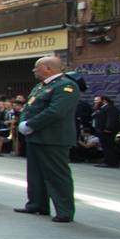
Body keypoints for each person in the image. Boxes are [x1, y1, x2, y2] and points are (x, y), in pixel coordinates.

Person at [14, 55, 79, 222]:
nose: (34, 70)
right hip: (35, 137)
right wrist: (24, 123)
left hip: (53, 138)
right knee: (35, 174)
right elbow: (28, 108)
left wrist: (31, 124)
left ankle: (64, 210)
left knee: (57, 174)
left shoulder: (66, 86)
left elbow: (56, 111)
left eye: (37, 67)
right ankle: (37, 204)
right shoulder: (39, 87)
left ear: (48, 68)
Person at [91, 95, 120, 168]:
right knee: (105, 147)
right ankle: (107, 161)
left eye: (97, 100)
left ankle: (111, 162)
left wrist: (108, 128)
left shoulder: (110, 108)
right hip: (101, 131)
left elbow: (111, 119)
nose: (95, 102)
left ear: (104, 101)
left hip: (107, 131)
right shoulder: (101, 108)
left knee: (109, 147)